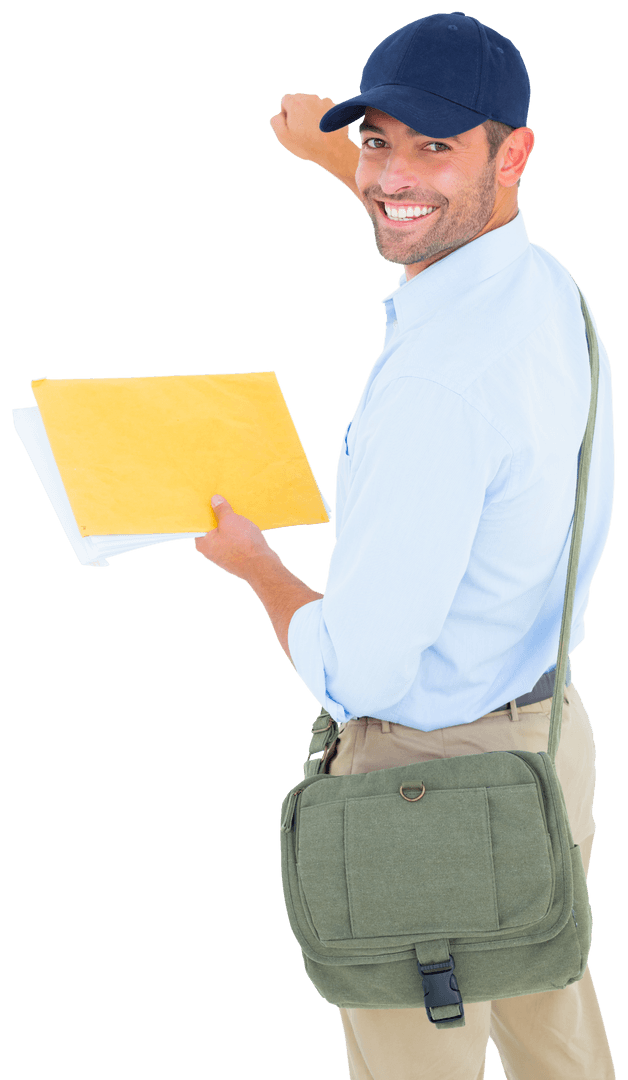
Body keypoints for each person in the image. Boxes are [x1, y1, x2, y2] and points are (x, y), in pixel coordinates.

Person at [196, 12, 616, 1080]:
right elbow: (433, 210)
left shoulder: (437, 392)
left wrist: (260, 568)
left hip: (427, 788)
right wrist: (338, 155)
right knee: (552, 1031)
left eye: (434, 145)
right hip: (543, 748)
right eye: (378, 140)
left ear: (511, 153)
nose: (393, 175)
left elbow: (359, 672)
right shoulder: (542, 286)